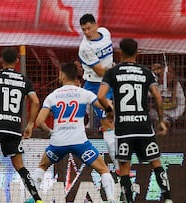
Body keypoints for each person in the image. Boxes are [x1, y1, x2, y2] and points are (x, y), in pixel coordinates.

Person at [98, 38, 173, 203]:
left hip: (124, 127)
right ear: (137, 53)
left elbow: (101, 96)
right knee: (156, 162)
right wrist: (161, 120)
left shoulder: (113, 72)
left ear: (120, 52)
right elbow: (158, 97)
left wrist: (111, 111)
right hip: (143, 125)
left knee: (124, 167)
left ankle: (129, 201)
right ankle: (168, 198)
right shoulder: (146, 72)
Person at [32, 62, 116, 203]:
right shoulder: (84, 93)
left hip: (58, 143)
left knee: (42, 166)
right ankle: (112, 199)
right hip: (79, 143)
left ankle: (33, 198)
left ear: (62, 75)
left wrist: (50, 132)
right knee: (103, 169)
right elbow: (105, 106)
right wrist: (110, 113)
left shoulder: (52, 96)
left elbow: (39, 122)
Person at [0, 47, 43, 203]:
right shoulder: (24, 80)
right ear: (17, 61)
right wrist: (30, 124)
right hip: (14, 127)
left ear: (0, 60)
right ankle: (38, 199)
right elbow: (36, 101)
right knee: (19, 165)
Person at [78, 13, 119, 174]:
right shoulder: (85, 48)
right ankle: (117, 166)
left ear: (95, 25)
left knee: (119, 119)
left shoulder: (106, 32)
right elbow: (100, 71)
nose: (87, 32)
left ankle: (122, 155)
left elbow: (109, 59)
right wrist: (115, 71)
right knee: (107, 123)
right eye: (83, 30)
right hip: (95, 86)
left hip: (111, 81)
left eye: (88, 28)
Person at [150, 63, 185, 127]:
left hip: (171, 116)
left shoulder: (177, 86)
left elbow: (181, 105)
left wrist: (171, 119)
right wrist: (152, 74)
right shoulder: (155, 83)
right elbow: (147, 96)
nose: (167, 75)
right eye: (165, 73)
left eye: (170, 72)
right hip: (154, 116)